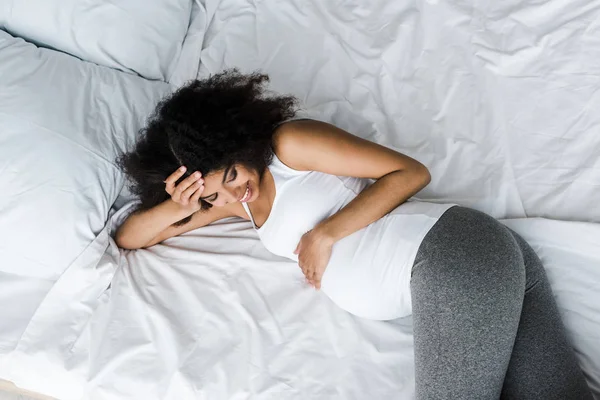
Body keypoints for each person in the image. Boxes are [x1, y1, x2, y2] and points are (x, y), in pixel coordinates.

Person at [115, 70, 592, 399]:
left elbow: (409, 172)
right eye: (217, 193)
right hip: (481, 266)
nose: (238, 191)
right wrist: (180, 205)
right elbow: (131, 238)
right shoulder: (234, 202)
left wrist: (325, 234)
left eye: (234, 173)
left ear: (239, 144)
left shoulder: (288, 147)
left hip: (449, 255)